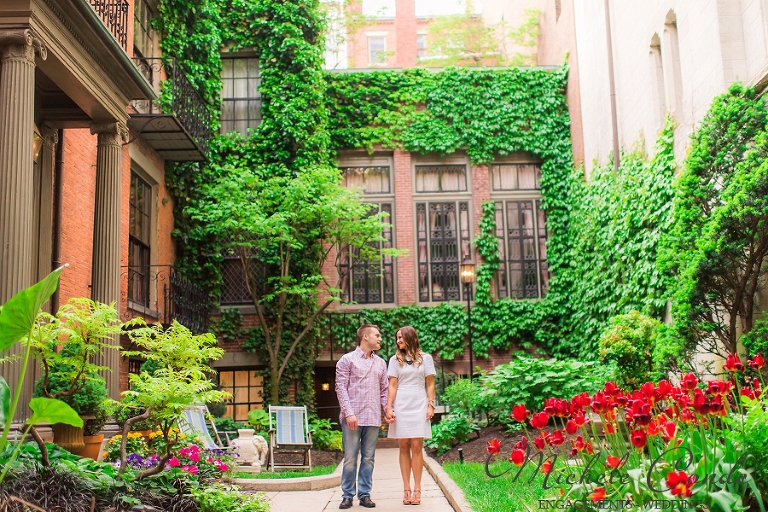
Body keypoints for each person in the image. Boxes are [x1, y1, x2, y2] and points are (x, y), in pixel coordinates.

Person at [335, 324, 390, 509]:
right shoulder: (346, 360)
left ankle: (365, 494)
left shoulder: (381, 363)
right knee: (350, 458)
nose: (380, 338)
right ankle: (347, 495)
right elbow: (341, 388)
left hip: (373, 418)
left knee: (368, 458)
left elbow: (384, 390)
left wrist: (387, 410)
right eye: (377, 335)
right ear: (365, 337)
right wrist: (348, 413)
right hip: (353, 419)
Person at [384, 326, 436, 506]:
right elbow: (392, 385)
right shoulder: (394, 360)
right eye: (397, 338)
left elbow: (430, 384)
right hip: (401, 404)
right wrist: (389, 407)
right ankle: (406, 489)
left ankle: (418, 488)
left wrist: (430, 404)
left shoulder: (426, 358)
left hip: (419, 403)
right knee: (404, 446)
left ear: (410, 337)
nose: (398, 341)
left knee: (416, 446)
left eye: (401, 337)